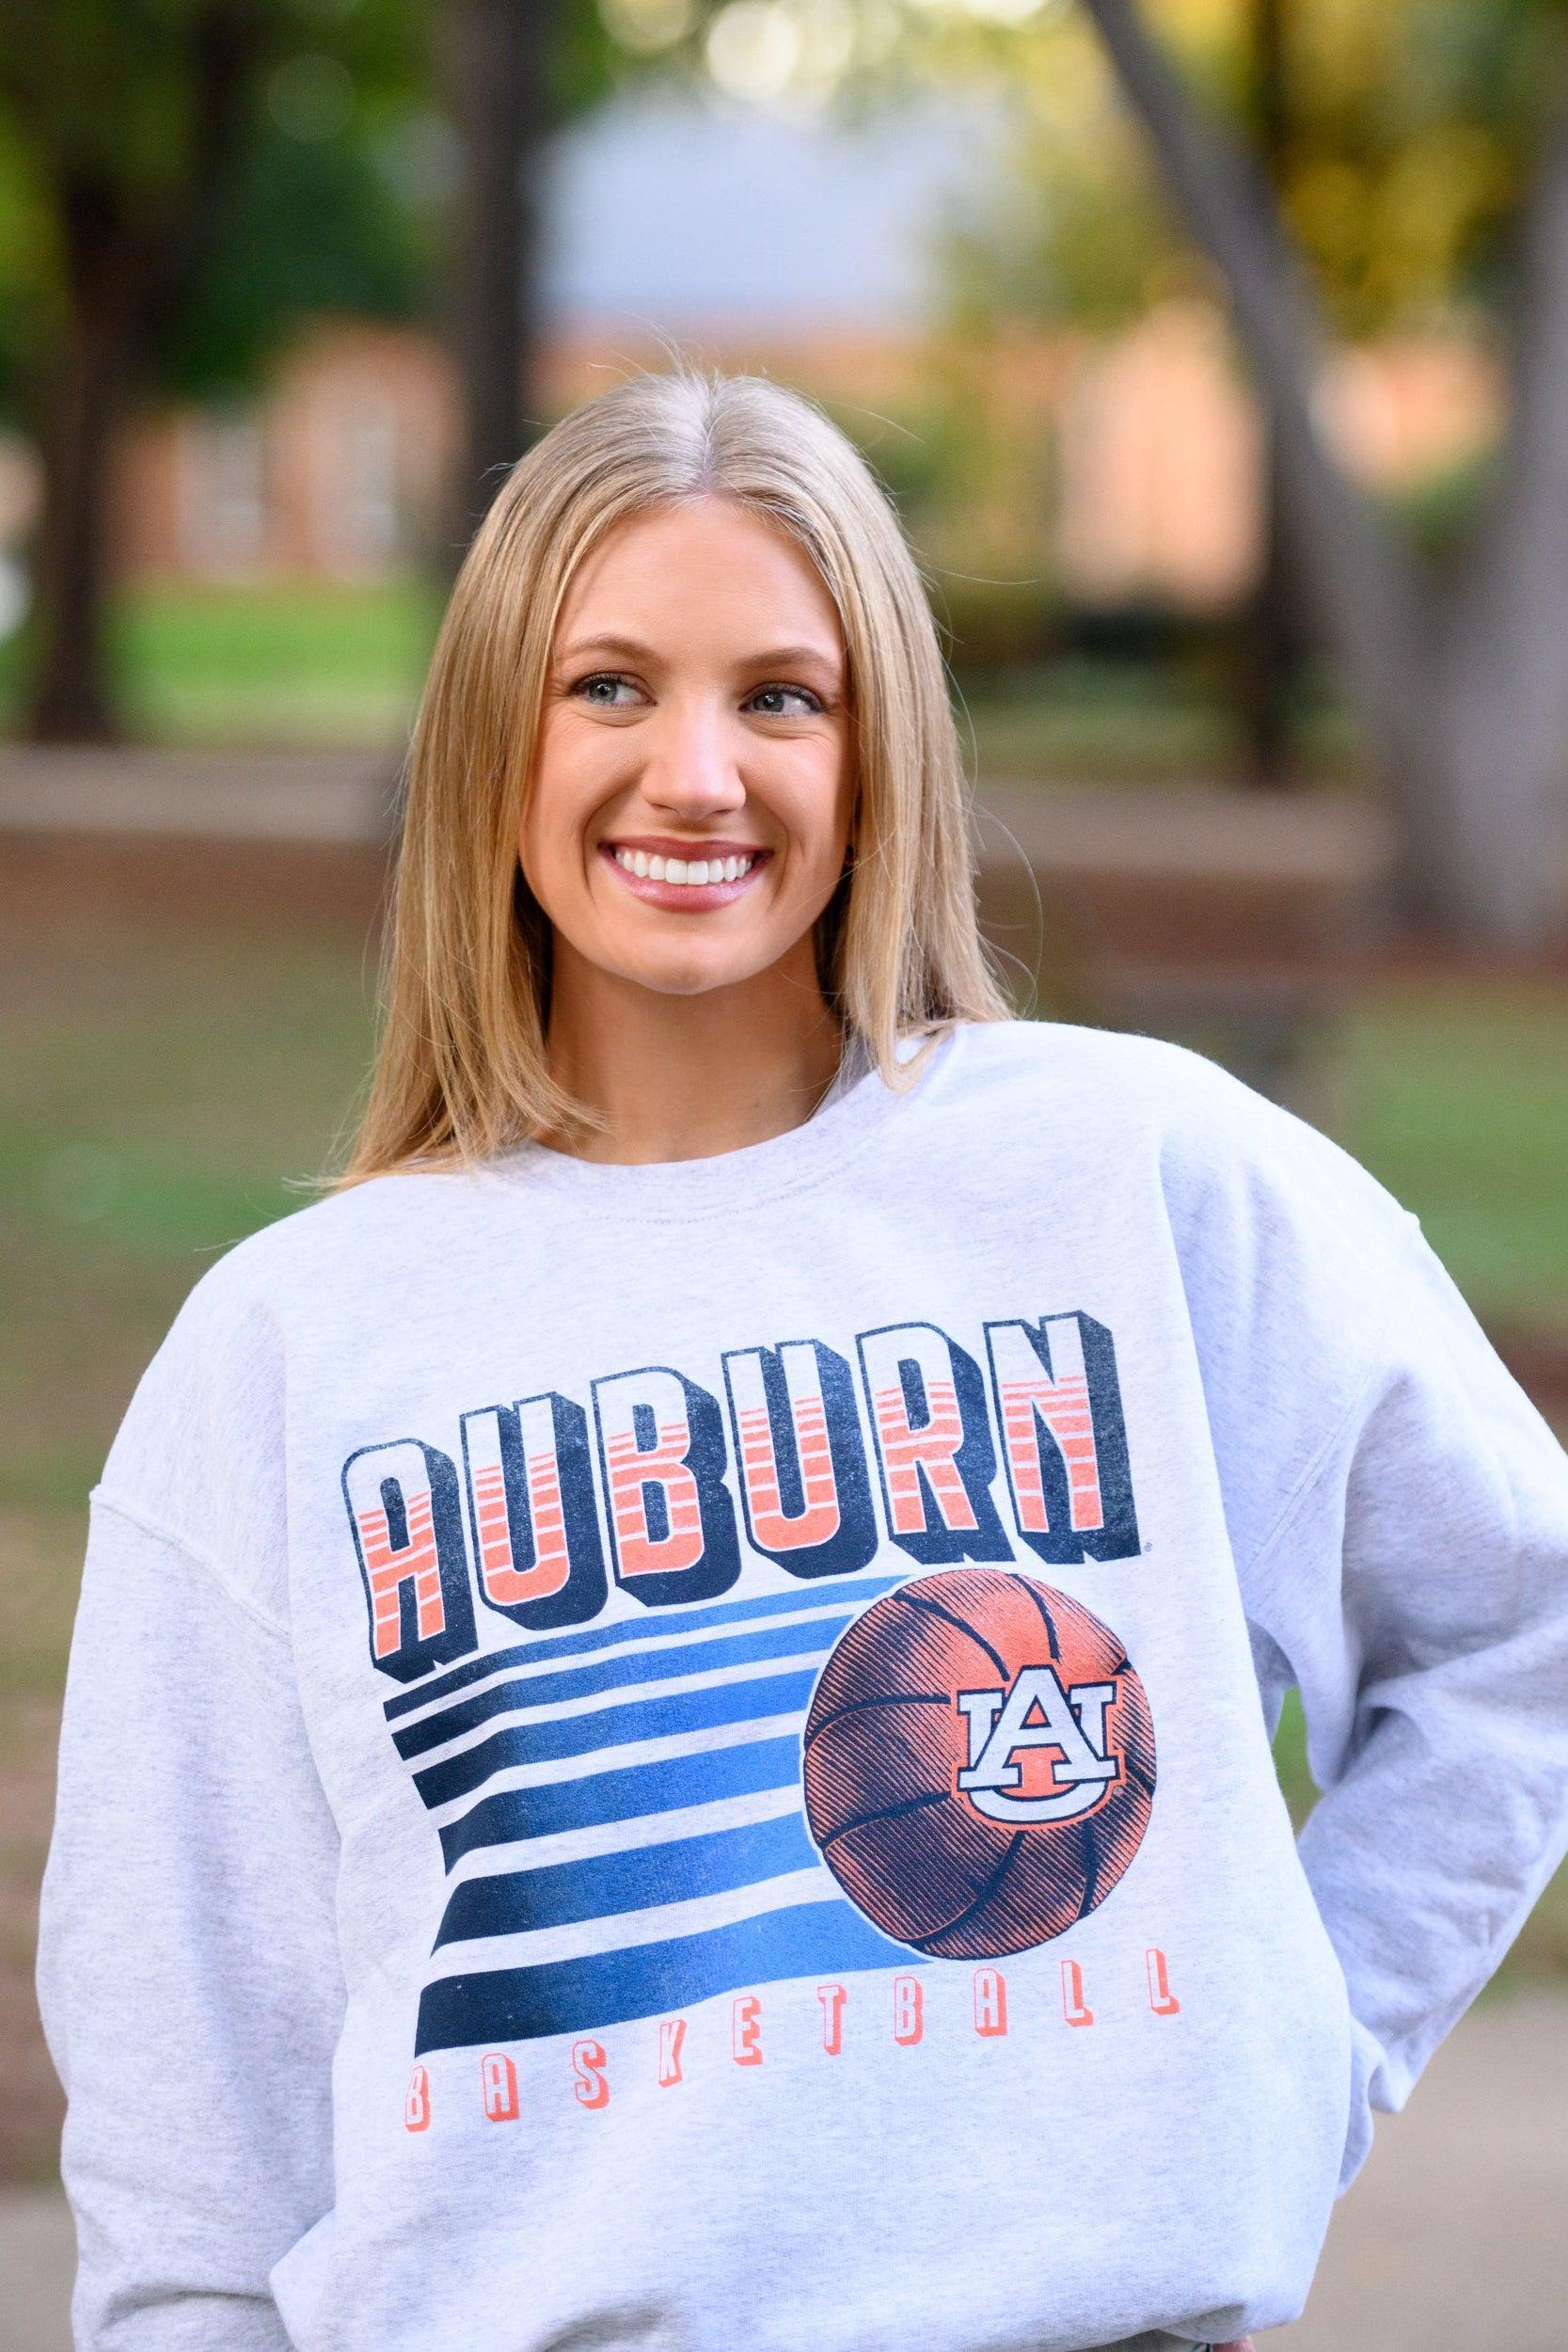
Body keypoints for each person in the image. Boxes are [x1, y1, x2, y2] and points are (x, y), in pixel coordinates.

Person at [35, 366, 1568, 2352]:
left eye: (780, 694)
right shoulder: (292, 1344)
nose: (696, 772)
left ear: (879, 753)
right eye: (608, 685)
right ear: (495, 728)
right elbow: (188, 2129)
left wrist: (1291, 2062)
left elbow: (1518, 1621)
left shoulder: (1137, 1174)